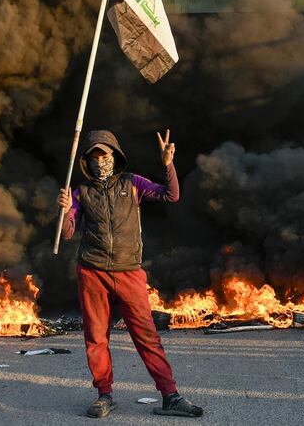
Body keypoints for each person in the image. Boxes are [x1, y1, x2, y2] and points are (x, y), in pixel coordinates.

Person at [57, 129, 203, 419]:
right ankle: (104, 395)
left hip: (129, 272)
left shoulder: (132, 183)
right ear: (86, 160)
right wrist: (62, 212)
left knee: (146, 336)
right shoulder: (79, 192)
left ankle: (170, 396)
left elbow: (171, 195)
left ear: (115, 155)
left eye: (105, 154)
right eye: (94, 156)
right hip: (92, 271)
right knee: (96, 336)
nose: (100, 160)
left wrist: (168, 164)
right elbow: (68, 232)